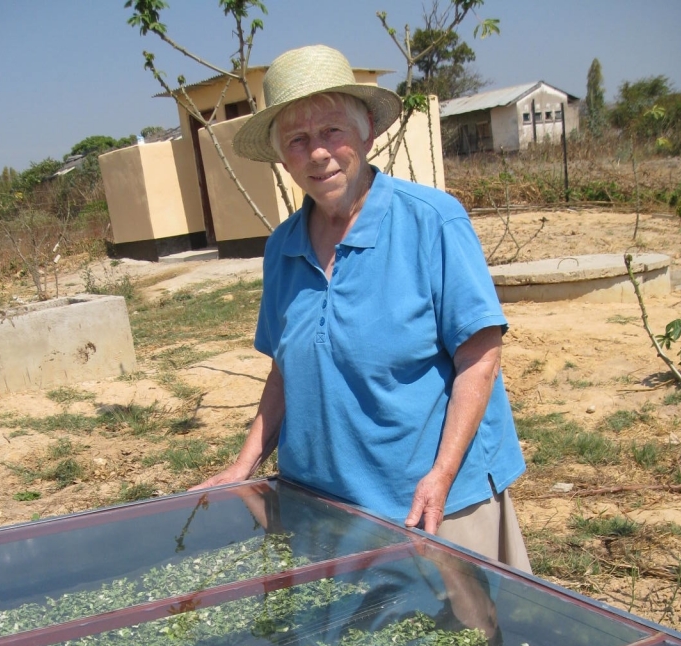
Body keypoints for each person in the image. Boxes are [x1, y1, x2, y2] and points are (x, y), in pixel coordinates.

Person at [195, 44, 531, 572]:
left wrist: (440, 475)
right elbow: (286, 366)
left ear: (367, 134)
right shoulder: (282, 247)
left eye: (333, 132)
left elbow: (480, 358)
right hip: (323, 507)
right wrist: (245, 461)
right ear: (283, 158)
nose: (319, 153)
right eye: (298, 141)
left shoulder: (432, 222)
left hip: (433, 504)